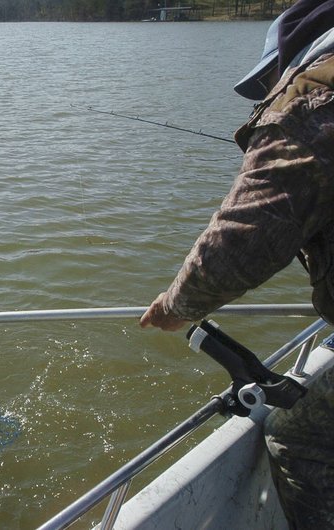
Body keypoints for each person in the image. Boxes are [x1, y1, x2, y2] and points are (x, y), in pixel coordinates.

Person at [139, 1, 334, 528]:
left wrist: (177, 305)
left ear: (296, 56)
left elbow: (246, 236)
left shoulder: (315, 100)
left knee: (299, 438)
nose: (273, 85)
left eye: (274, 74)